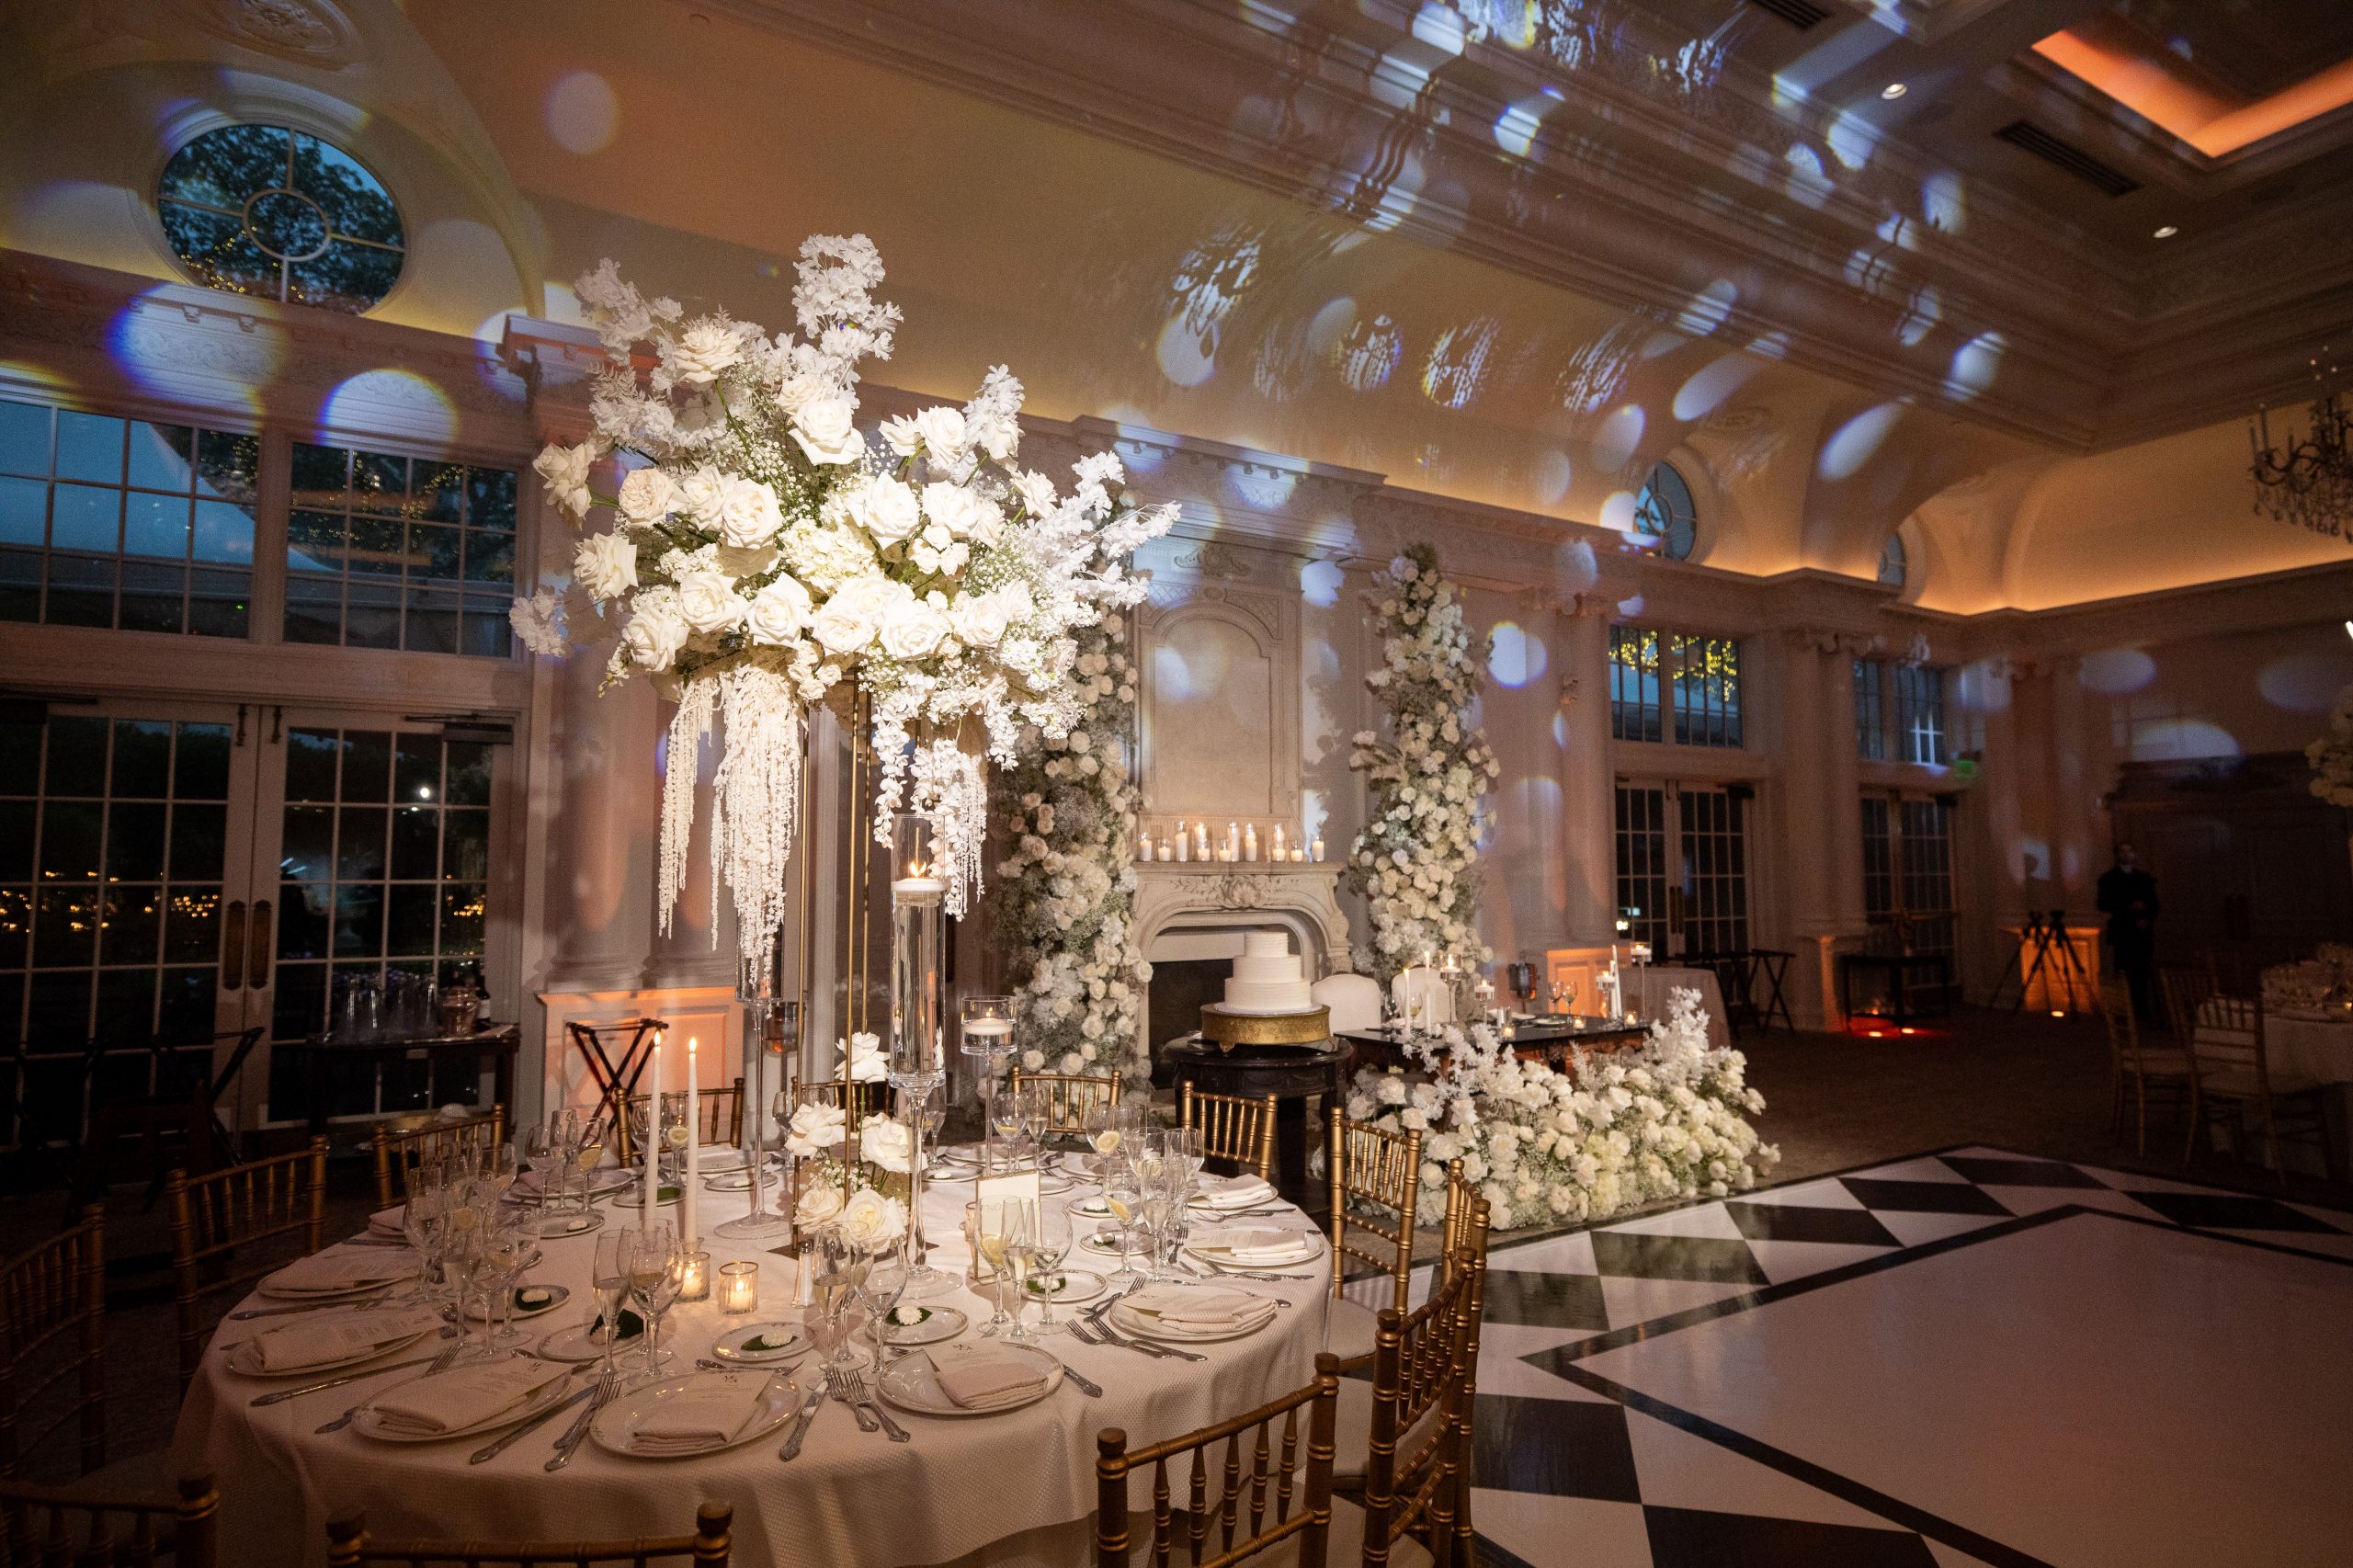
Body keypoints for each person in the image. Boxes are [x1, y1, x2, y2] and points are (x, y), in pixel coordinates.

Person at [2097, 843, 2160, 1026]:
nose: (2127, 854)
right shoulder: (2109, 879)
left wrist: (2146, 916)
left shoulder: (2144, 879)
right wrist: (2130, 909)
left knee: (2142, 972)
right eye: (2123, 851)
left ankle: (2141, 1009)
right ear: (2117, 855)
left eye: (2130, 851)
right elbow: (2104, 904)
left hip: (2142, 934)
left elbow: (2155, 905)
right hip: (2123, 933)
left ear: (2135, 854)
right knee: (2123, 972)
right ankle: (2123, 1011)